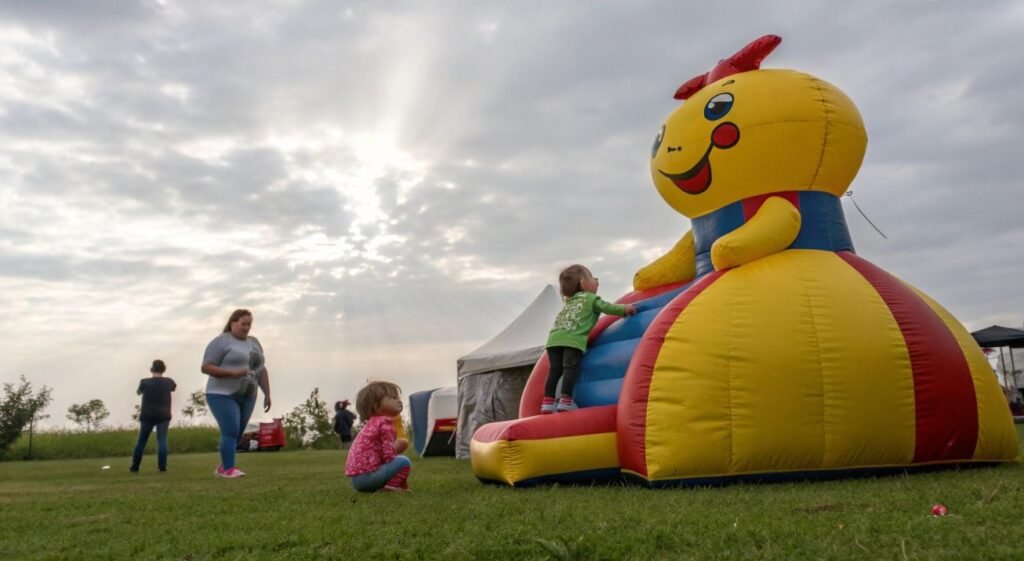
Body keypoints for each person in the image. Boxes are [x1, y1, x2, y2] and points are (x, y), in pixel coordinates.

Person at [543, 264, 636, 414]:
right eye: (594, 278)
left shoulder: (569, 302)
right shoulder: (590, 298)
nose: (597, 281)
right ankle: (565, 401)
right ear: (584, 283)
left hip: (553, 339)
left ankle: (547, 402)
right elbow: (607, 307)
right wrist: (624, 309)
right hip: (572, 340)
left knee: (554, 370)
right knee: (569, 368)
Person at [201, 309, 272, 478]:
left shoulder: (254, 343)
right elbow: (206, 367)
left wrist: (267, 394)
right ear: (233, 323)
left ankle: (222, 466)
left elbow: (261, 369)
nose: (246, 328)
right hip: (221, 393)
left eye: (249, 324)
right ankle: (229, 469)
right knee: (230, 430)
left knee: (238, 433)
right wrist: (233, 373)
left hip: (248, 393)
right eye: (243, 324)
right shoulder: (221, 342)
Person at [344, 381, 411, 492]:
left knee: (397, 462)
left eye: (398, 397)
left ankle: (393, 485)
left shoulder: (373, 423)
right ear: (377, 407)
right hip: (368, 478)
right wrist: (396, 452)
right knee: (404, 461)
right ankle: (391, 488)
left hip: (356, 481)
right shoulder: (385, 423)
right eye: (393, 398)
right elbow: (388, 454)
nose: (399, 401)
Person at [130, 359, 177, 473]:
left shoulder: (145, 382)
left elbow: (138, 392)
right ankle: (162, 466)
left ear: (152, 369)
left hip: (147, 413)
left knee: (141, 441)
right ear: (163, 369)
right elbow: (173, 388)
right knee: (162, 440)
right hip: (164, 414)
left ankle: (135, 466)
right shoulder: (169, 382)